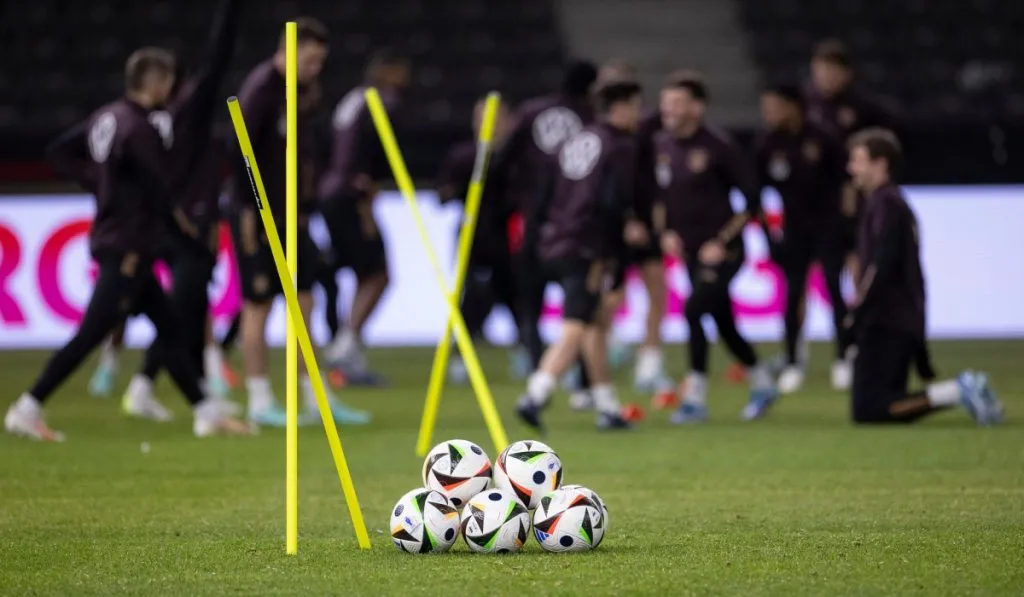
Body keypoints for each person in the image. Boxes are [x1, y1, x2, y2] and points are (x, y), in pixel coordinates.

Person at [4, 48, 249, 440]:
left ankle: (206, 411)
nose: (170, 91)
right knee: (91, 333)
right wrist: (180, 225)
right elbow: (157, 185)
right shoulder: (141, 128)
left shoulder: (106, 117)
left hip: (120, 237)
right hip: (129, 243)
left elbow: (58, 153)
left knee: (170, 328)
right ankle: (27, 407)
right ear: (153, 82)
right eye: (167, 82)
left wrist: (100, 183)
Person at [228, 19, 370, 427]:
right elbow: (239, 154)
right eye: (309, 59)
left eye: (319, 61)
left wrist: (304, 204)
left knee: (305, 299)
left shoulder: (304, 92)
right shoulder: (261, 91)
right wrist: (251, 214)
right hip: (255, 214)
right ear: (287, 52)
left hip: (293, 216)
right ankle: (258, 399)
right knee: (258, 305)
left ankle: (316, 397)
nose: (315, 68)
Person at [119, 0, 240, 421]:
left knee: (187, 309)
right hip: (189, 225)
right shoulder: (189, 112)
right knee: (179, 310)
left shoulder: (156, 118)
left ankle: (189, 389)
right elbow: (218, 57)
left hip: (169, 220)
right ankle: (146, 385)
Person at [843, 128, 1002, 425]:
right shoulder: (887, 203)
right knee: (874, 407)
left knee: (870, 410)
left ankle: (959, 390)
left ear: (881, 164)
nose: (851, 168)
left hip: (887, 319)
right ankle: (958, 391)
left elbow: (883, 263)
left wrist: (859, 310)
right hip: (897, 317)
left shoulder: (886, 205)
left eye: (858, 161)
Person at [514, 80, 647, 432]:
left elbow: (544, 191)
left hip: (555, 239)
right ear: (617, 109)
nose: (639, 115)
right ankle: (536, 393)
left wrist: (537, 237)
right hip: (588, 245)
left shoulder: (573, 140)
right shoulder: (619, 147)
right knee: (577, 322)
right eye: (635, 107)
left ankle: (607, 406)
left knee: (595, 322)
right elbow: (611, 201)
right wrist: (620, 246)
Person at [652, 72, 779, 423]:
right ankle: (763, 381)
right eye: (666, 104)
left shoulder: (719, 146)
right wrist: (664, 232)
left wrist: (721, 242)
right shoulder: (661, 146)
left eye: (676, 103)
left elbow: (753, 202)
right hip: (689, 252)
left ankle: (694, 397)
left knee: (694, 310)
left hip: (725, 251)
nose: (669, 110)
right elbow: (659, 197)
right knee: (723, 322)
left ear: (697, 106)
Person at [491, 60, 598, 375]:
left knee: (529, 300)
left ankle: (537, 365)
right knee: (578, 301)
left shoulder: (530, 111)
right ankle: (580, 373)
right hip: (575, 222)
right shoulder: (591, 119)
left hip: (530, 219)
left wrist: (508, 199)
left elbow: (500, 161)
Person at [320, 49, 411, 385]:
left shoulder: (352, 100)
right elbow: (370, 150)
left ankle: (348, 347)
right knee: (379, 274)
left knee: (362, 272)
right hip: (352, 195)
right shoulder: (382, 101)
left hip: (332, 192)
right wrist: (365, 195)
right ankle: (345, 344)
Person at [754, 84, 851, 394]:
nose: (768, 114)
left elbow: (847, 182)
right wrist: (770, 233)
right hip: (793, 230)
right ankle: (794, 361)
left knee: (836, 290)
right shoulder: (767, 144)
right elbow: (755, 192)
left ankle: (843, 357)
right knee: (793, 295)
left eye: (773, 107)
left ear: (792, 106)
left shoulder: (823, 138)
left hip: (828, 226)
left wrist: (847, 225)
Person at [598, 59, 671, 394]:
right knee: (611, 296)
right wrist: (626, 219)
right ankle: (596, 360)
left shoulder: (644, 130)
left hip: (643, 223)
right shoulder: (604, 136)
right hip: (615, 226)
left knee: (657, 288)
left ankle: (650, 360)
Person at [434, 98, 520, 383]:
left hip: (509, 241)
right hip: (474, 238)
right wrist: (462, 189)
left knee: (519, 298)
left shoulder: (516, 156)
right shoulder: (463, 156)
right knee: (473, 297)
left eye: (496, 120)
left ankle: (530, 356)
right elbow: (442, 195)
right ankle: (461, 358)